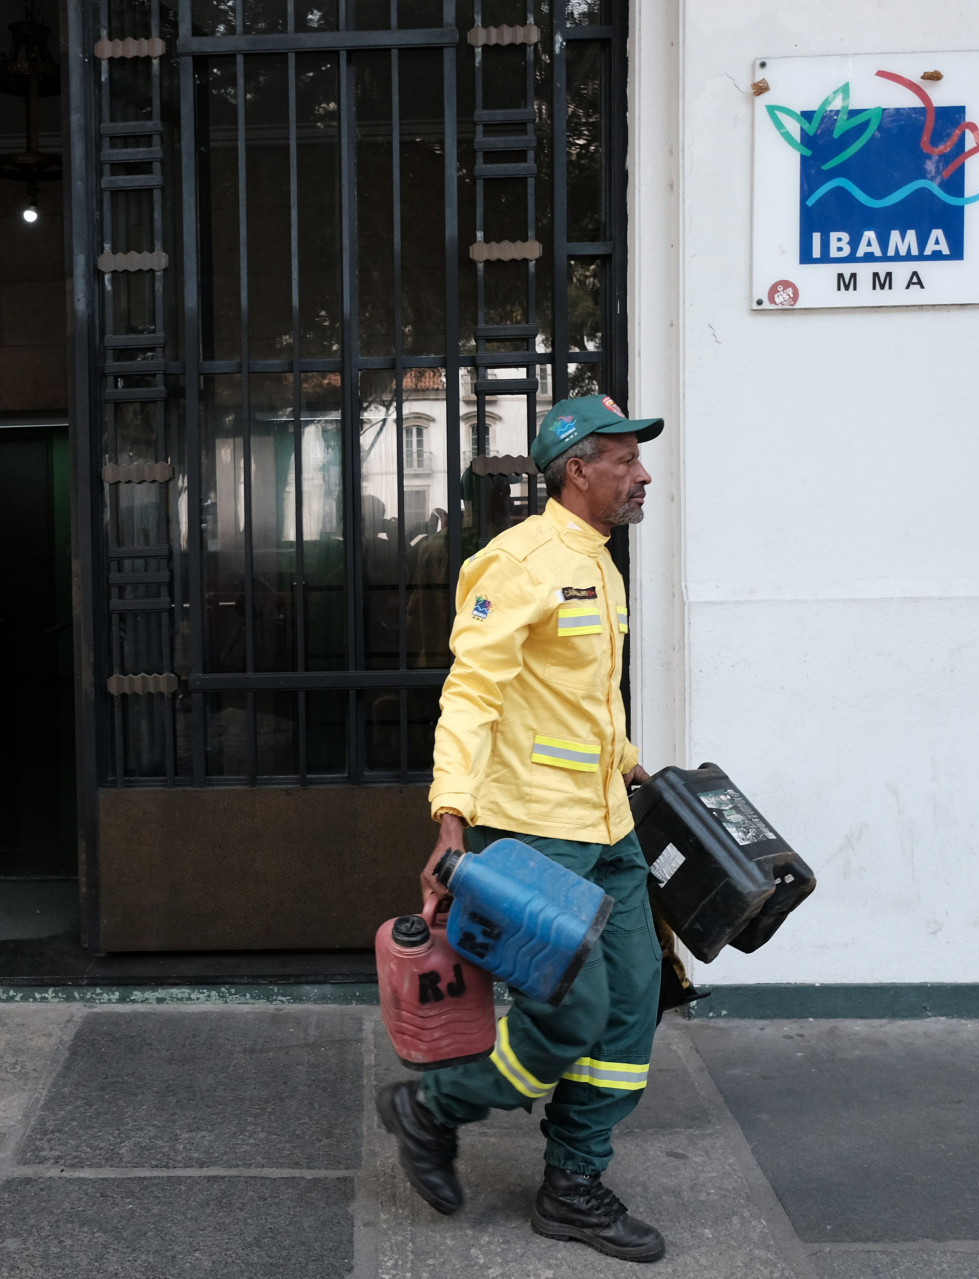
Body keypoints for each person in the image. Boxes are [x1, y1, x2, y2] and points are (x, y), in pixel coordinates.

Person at [375, 393, 669, 1264]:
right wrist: (451, 820)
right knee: (574, 1013)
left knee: (632, 1006)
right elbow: (471, 696)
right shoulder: (516, 562)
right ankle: (432, 1108)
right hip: (534, 833)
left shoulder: (601, 563)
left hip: (609, 830)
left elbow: (583, 698)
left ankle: (573, 1182)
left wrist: (635, 766)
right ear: (578, 469)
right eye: (626, 459)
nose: (643, 474)